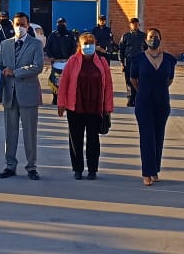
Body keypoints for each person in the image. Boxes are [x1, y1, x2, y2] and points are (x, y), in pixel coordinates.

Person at [56, 32, 114, 180]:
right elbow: (63, 83)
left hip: (95, 107)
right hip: (75, 106)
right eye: (85, 44)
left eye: (91, 43)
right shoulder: (73, 61)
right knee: (75, 139)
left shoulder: (102, 62)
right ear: (80, 46)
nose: (88, 46)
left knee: (93, 139)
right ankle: (78, 169)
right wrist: (61, 103)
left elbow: (108, 85)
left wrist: (108, 107)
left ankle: (92, 169)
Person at [0, 12, 44, 180]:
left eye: (23, 24)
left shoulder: (36, 44)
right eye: (17, 24)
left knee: (30, 133)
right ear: (12, 25)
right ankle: (10, 165)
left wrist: (15, 72)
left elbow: (37, 66)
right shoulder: (5, 44)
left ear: (28, 26)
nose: (20, 27)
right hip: (10, 94)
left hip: (28, 94)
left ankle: (31, 166)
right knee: (10, 132)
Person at [130, 27, 175, 186]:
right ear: (146, 39)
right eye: (150, 36)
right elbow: (133, 79)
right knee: (147, 136)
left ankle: (155, 169)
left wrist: (159, 89)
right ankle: (147, 173)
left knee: (158, 136)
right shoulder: (138, 59)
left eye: (156, 36)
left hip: (162, 101)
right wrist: (143, 91)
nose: (153, 39)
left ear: (160, 39)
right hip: (144, 102)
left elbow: (170, 79)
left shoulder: (169, 59)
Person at [45, 17, 77, 106]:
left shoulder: (70, 35)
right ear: (57, 24)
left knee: (67, 81)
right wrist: (51, 57)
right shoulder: (53, 35)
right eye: (59, 23)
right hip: (56, 62)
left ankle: (67, 99)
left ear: (66, 24)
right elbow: (48, 48)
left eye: (63, 23)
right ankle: (55, 98)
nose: (61, 25)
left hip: (67, 62)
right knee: (55, 81)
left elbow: (74, 47)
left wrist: (71, 58)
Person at [119, 17, 146, 107]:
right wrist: (122, 63)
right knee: (129, 81)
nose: (134, 25)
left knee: (139, 80)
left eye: (136, 23)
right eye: (132, 23)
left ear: (138, 25)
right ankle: (130, 99)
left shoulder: (143, 36)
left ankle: (138, 99)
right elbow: (121, 50)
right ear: (130, 25)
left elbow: (147, 49)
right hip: (129, 62)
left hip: (140, 62)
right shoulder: (125, 36)